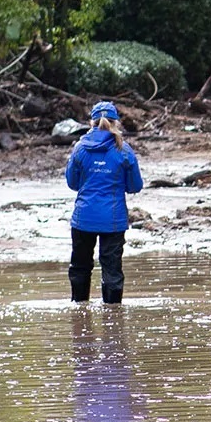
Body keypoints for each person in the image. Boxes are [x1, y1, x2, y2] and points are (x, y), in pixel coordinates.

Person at [64, 101, 144, 303]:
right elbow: (135, 186)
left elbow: (72, 183)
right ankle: (113, 319)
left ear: (91, 122)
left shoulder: (80, 149)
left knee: (80, 267)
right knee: (112, 269)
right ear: (116, 122)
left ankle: (80, 311)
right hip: (113, 220)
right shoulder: (124, 150)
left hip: (83, 218)